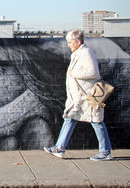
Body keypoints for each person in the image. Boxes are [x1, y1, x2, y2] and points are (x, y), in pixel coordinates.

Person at [44, 30, 113, 161]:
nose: (68, 45)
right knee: (70, 119)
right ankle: (59, 148)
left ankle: (105, 151)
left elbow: (93, 72)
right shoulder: (78, 53)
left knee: (96, 122)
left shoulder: (86, 53)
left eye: (70, 42)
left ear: (78, 41)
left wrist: (74, 72)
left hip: (87, 98)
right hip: (78, 99)